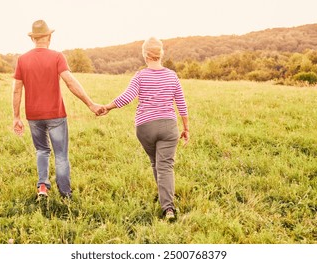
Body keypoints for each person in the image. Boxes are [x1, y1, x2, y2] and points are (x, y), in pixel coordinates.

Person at [12, 19, 103, 199]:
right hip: (56, 114)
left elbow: (16, 89)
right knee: (61, 155)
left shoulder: (22, 60)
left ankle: (42, 187)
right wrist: (90, 104)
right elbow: (70, 82)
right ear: (49, 37)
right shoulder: (57, 56)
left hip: (33, 115)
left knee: (42, 151)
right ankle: (65, 194)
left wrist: (16, 116)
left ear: (33, 39)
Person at [101, 37, 189, 221]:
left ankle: (165, 199)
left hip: (145, 127)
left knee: (157, 163)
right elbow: (181, 103)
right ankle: (168, 208)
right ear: (161, 54)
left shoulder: (140, 76)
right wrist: (186, 128)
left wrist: (108, 107)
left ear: (145, 55)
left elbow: (127, 97)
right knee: (165, 166)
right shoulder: (172, 75)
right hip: (168, 126)